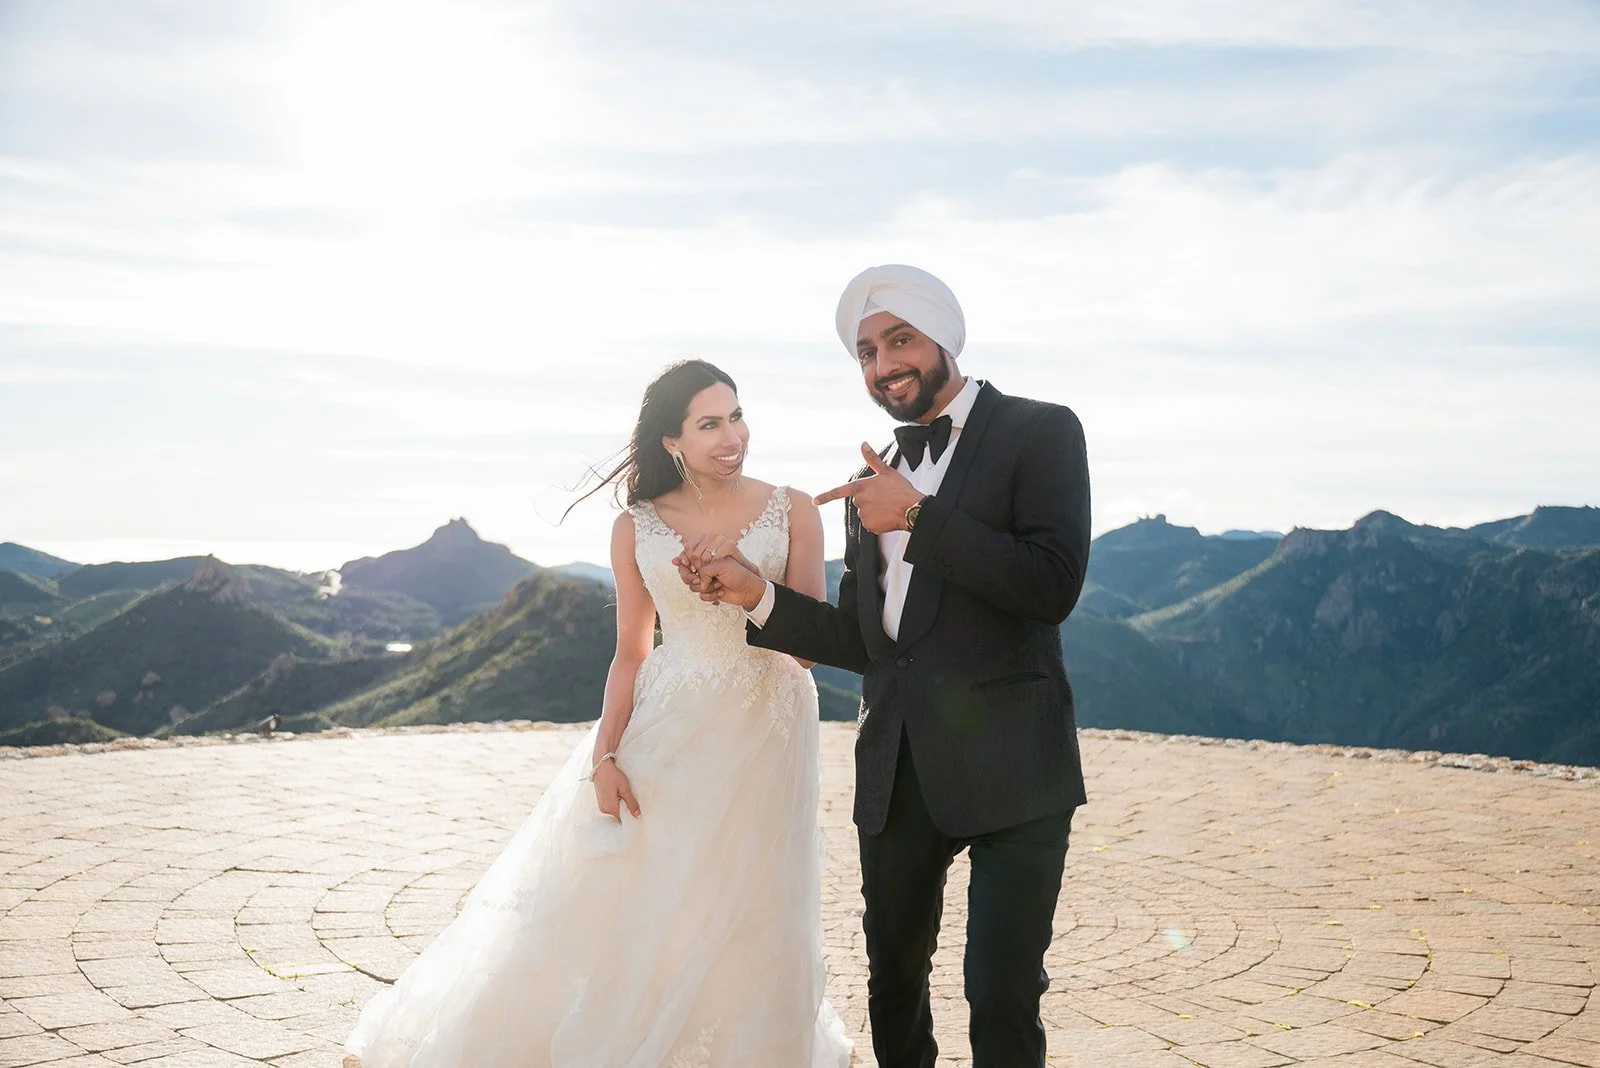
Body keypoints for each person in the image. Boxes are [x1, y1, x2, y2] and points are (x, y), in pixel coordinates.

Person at [344, 359, 852, 1067]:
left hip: (767, 724)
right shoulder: (637, 526)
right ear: (673, 440)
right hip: (669, 722)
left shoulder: (793, 507)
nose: (731, 435)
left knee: (755, 894)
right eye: (709, 423)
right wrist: (604, 757)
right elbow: (630, 653)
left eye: (736, 415)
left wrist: (744, 589)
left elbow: (807, 653)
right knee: (647, 889)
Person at [678, 266, 1091, 1068]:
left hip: (1018, 769)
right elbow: (872, 642)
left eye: (899, 340)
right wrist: (754, 593)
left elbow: (1051, 585)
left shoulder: (1041, 431)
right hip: (898, 768)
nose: (882, 364)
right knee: (893, 983)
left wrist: (917, 515)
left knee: (1001, 992)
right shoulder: (873, 475)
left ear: (944, 337)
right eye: (866, 351)